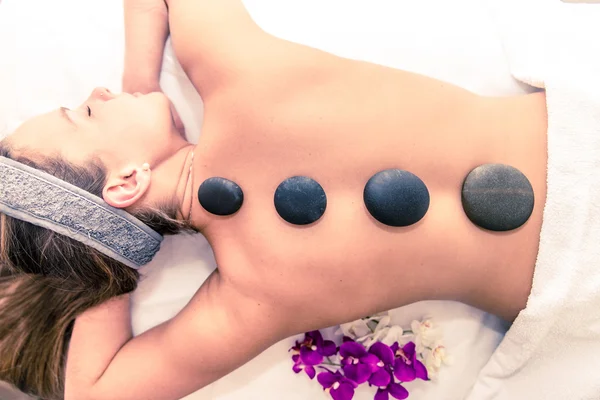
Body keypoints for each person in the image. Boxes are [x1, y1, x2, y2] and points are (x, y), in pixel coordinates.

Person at [0, 0, 549, 399]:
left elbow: (96, 391)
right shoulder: (241, 78)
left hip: (571, 280)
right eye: (84, 114)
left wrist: (105, 254)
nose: (98, 93)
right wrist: (143, 82)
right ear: (124, 183)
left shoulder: (251, 298)